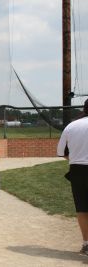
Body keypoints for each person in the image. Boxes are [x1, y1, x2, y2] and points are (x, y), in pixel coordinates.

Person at [57, 98, 88, 256]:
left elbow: (61, 152)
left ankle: (86, 244)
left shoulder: (72, 126)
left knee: (82, 209)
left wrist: (76, 159)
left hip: (77, 170)